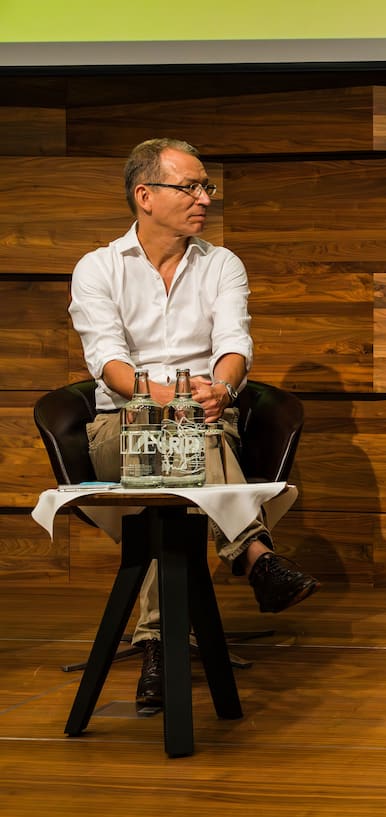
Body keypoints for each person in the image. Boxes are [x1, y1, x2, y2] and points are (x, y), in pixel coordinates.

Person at [68, 138, 320, 709]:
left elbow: (235, 345)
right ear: (145, 196)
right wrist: (171, 398)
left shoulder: (221, 264)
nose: (204, 197)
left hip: (207, 426)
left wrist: (222, 389)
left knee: (185, 453)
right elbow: (107, 363)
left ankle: (158, 643)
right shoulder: (99, 268)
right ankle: (254, 554)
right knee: (180, 432)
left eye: (206, 186)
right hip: (119, 430)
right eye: (190, 186)